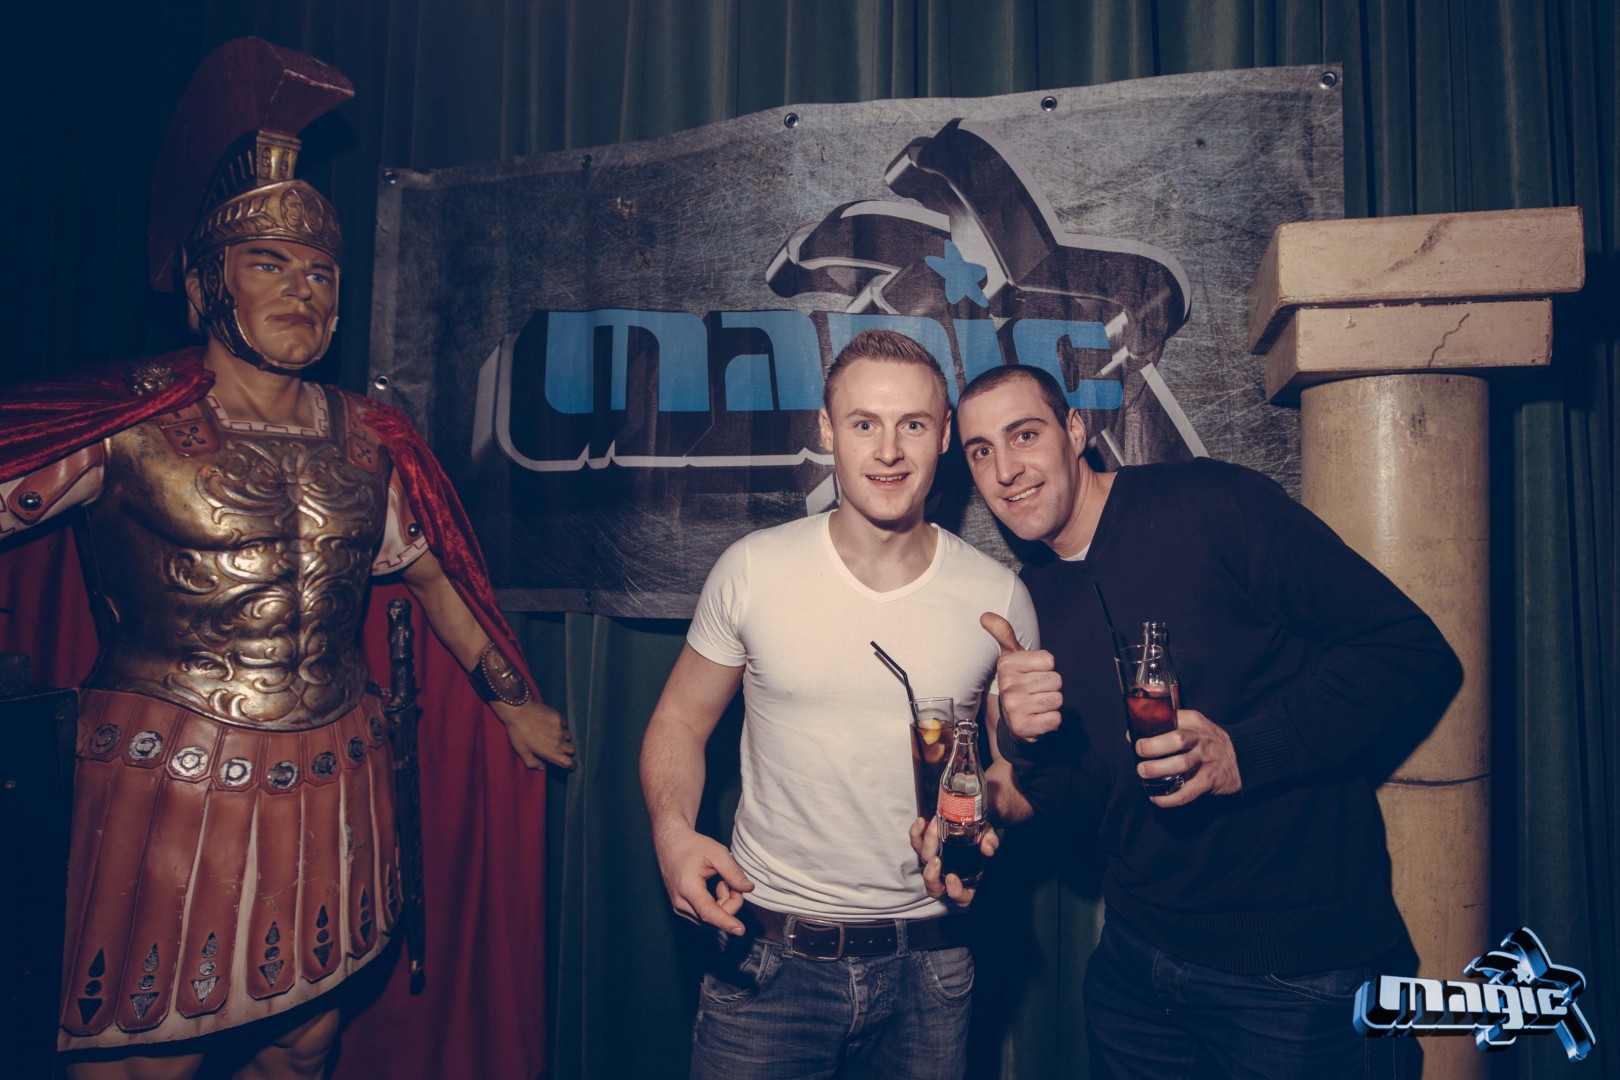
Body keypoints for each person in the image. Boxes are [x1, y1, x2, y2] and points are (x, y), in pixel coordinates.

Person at [0, 39, 571, 1080]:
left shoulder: (368, 439)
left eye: (319, 272)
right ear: (204, 285)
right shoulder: (124, 428)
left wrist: (510, 700)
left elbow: (434, 573)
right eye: (269, 263)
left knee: (303, 1038)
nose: (301, 289)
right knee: (143, 1056)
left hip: (332, 767)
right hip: (167, 772)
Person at [945, 363, 1461, 1079]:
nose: (1006, 470)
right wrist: (1024, 741)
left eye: (1024, 435)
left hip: (1296, 974)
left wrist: (1245, 752)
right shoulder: (1032, 600)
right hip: (1134, 966)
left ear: (1075, 430)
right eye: (981, 451)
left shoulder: (1212, 501)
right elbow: (1085, 800)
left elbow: (1406, 650)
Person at [639, 329, 1038, 1079]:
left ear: (944, 434)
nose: (888, 451)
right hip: (766, 960)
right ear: (827, 430)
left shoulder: (998, 597)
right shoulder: (753, 570)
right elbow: (679, 721)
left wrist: (987, 810)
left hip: (931, 965)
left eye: (912, 424)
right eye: (864, 424)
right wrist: (671, 833)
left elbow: (1011, 783)